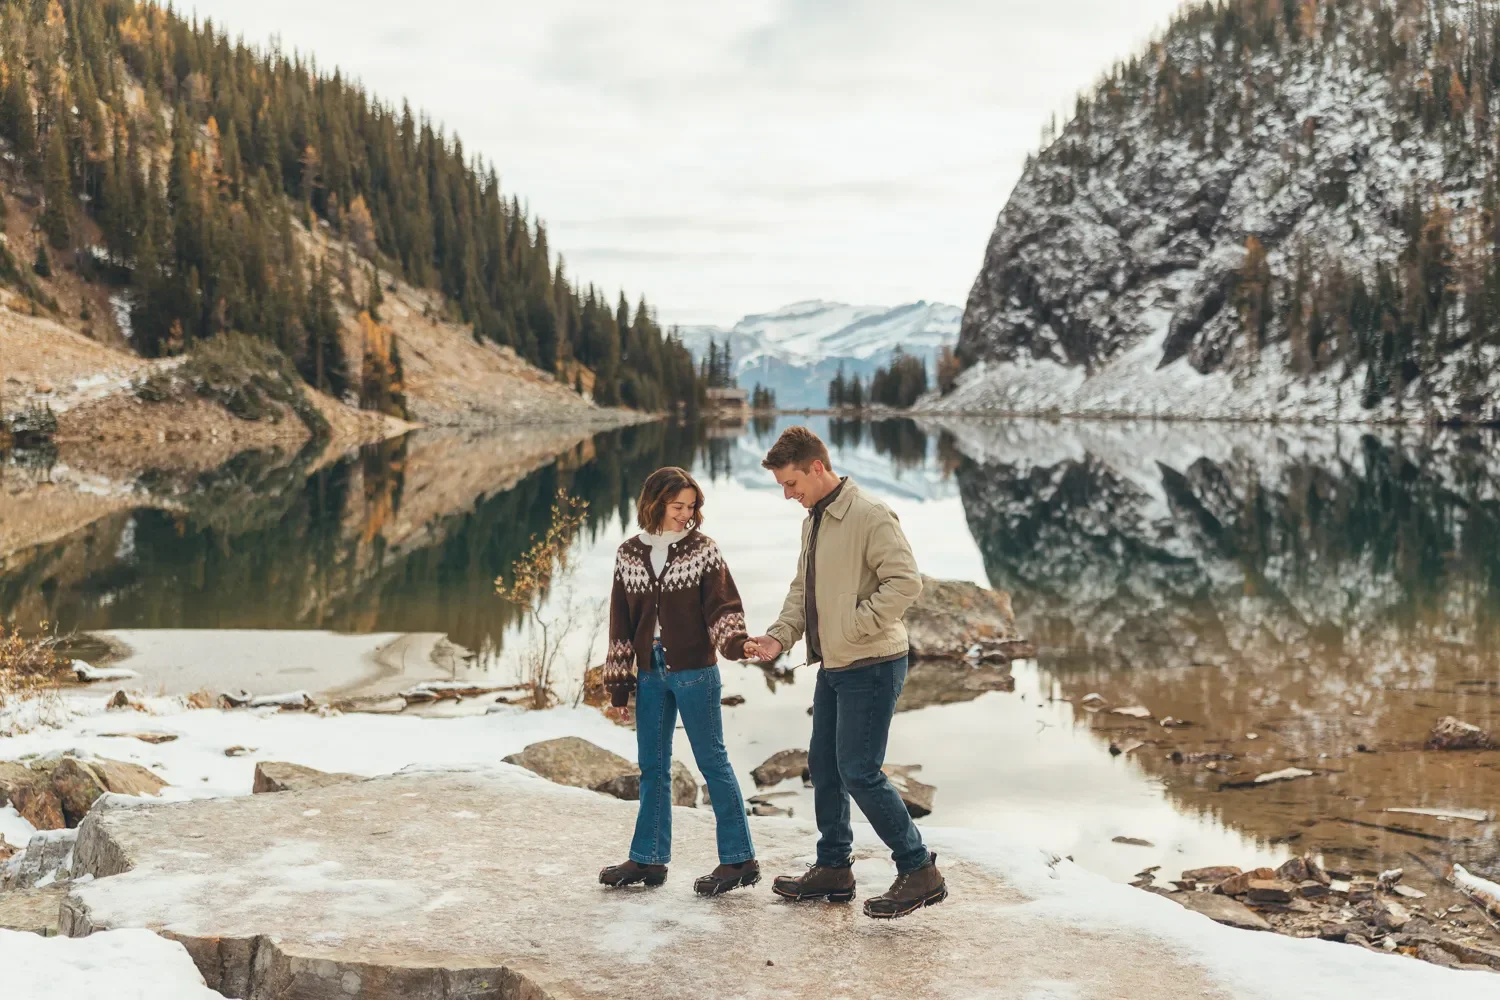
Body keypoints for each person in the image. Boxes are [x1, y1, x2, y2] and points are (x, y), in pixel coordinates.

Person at [744, 426, 945, 919]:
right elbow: (803, 591)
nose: (788, 495)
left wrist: (854, 626)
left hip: (872, 664)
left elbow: (906, 583)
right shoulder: (815, 520)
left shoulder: (870, 514)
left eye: (792, 483)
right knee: (825, 766)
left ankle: (919, 869)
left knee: (859, 770)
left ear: (817, 467)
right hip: (835, 664)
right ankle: (834, 868)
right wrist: (779, 637)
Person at [597, 466, 760, 897]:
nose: (685, 515)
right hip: (649, 672)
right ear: (655, 504)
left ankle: (739, 859)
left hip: (694, 671)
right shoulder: (629, 554)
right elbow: (620, 622)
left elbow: (723, 607)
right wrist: (619, 685)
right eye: (677, 506)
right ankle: (649, 858)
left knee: (712, 761)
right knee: (652, 766)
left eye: (691, 507)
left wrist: (737, 642)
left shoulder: (702, 550)